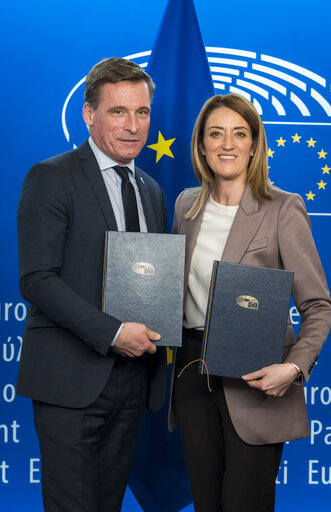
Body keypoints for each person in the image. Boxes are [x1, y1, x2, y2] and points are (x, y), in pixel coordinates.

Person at [170, 93, 331, 512]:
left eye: (239, 133)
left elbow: (318, 305)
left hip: (257, 381)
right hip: (192, 376)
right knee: (206, 504)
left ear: (255, 144)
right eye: (216, 133)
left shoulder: (283, 208)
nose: (228, 143)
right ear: (202, 145)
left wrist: (294, 367)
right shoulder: (186, 206)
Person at [16, 57, 167, 512]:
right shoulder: (52, 176)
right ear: (88, 113)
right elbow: (37, 279)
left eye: (142, 112)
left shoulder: (152, 190)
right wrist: (113, 333)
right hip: (71, 381)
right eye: (118, 111)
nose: (133, 125)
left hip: (132, 380)